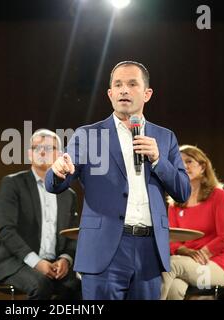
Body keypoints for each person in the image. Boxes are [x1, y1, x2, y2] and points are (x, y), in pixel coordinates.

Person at [45, 61, 191, 300]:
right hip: (104, 249)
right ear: (110, 94)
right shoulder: (89, 135)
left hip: (149, 251)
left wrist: (157, 160)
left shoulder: (165, 138)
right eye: (118, 85)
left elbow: (183, 192)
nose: (124, 90)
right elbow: (56, 184)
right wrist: (58, 170)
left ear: (147, 93)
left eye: (132, 84)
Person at [0, 129, 81, 300]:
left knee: (79, 286)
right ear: (29, 154)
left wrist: (65, 259)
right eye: (36, 148)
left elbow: (73, 234)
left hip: (55, 264)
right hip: (17, 262)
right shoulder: (12, 184)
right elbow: (6, 230)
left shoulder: (68, 194)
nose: (42, 152)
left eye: (49, 148)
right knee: (42, 285)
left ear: (60, 155)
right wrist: (37, 262)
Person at [160, 145, 224, 300]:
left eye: (189, 161)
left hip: (213, 267)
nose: (184, 166)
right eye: (179, 163)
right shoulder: (174, 203)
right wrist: (185, 251)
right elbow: (171, 239)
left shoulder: (218, 196)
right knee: (173, 289)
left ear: (202, 167)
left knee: (171, 264)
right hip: (184, 263)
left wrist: (201, 254)